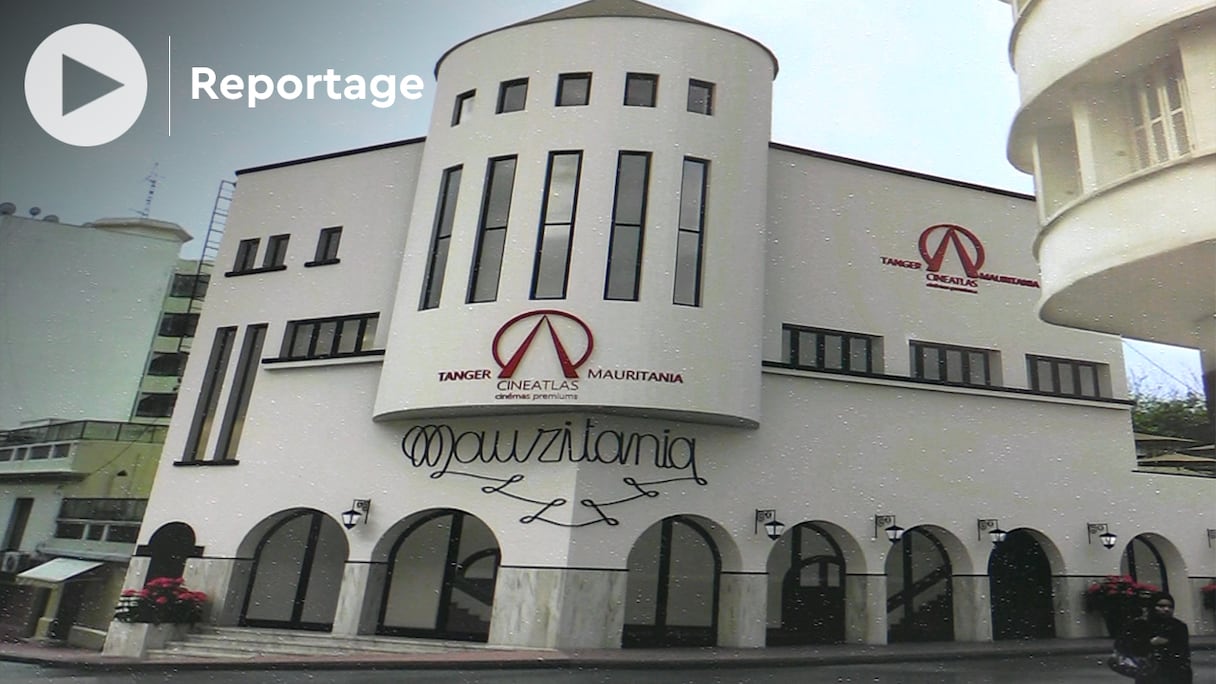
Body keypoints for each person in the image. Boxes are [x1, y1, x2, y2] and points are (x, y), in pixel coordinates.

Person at [1117, 592, 1193, 683]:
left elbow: (1183, 653)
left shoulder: (1178, 626)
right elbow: (1127, 648)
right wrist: (1150, 643)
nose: (1166, 609)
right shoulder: (1140, 625)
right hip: (1149, 674)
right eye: (1161, 606)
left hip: (1175, 674)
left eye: (1170, 607)